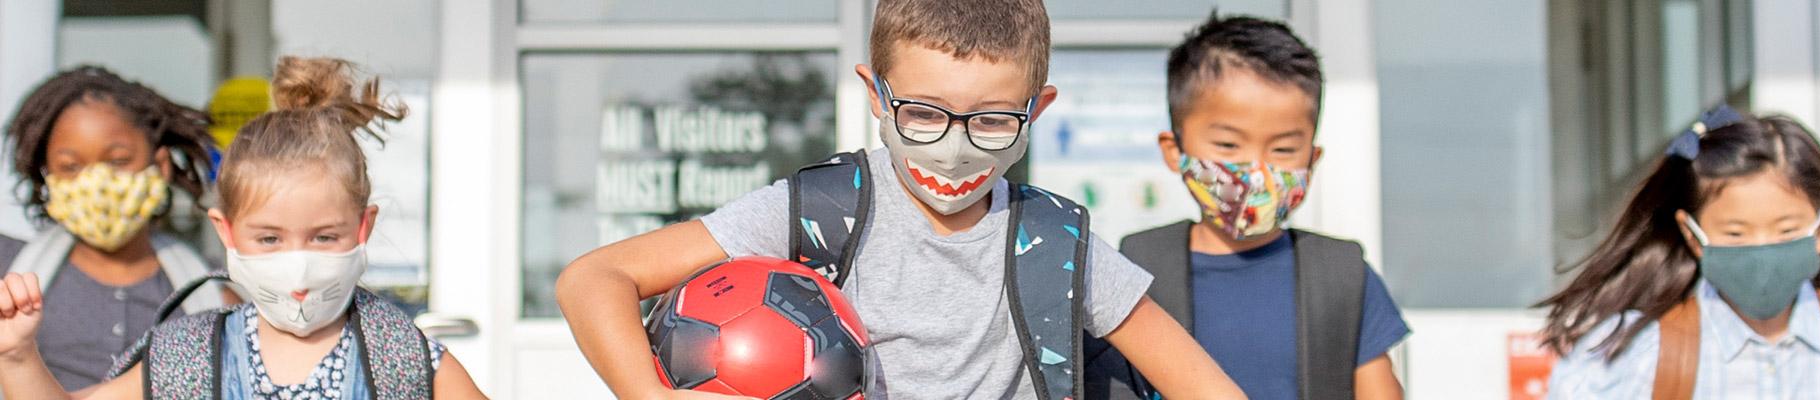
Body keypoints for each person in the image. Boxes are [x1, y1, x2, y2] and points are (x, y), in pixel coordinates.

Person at [555, 0, 1246, 398]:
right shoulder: (818, 211)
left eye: (993, 120)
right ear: (873, 94)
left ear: (1039, 109)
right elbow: (593, 280)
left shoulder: (1055, 242)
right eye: (923, 113)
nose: (956, 148)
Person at [0, 56, 487, 399]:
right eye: (270, 239)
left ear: (364, 227)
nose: (297, 263)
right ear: (226, 233)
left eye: (323, 237)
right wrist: (18, 355)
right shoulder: (189, 354)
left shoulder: (402, 358)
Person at [1083, 15, 1409, 400]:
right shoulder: (1134, 272)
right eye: (1228, 146)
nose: (1256, 171)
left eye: (1283, 150)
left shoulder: (1342, 275)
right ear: (1175, 151)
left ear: (1312, 158)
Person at [1540, 106, 1820, 398]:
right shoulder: (1629, 360)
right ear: (1693, 236)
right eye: (1736, 234)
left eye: (1786, 230)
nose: (1762, 249)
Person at [0, 66, 226, 391]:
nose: (97, 183)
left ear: (160, 166)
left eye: (118, 161)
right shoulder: (10, 276)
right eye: (70, 167)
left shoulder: (217, 291)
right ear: (47, 175)